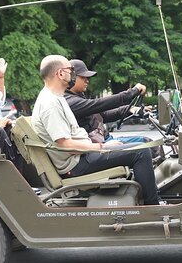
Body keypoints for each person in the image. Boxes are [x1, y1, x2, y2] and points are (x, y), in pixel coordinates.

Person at [32, 55, 160, 205]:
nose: (73, 74)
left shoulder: (56, 98)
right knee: (141, 150)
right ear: (60, 73)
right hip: (77, 163)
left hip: (82, 156)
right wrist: (102, 146)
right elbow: (65, 145)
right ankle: (154, 207)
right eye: (70, 70)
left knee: (140, 147)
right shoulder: (50, 104)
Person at [64, 59, 151, 144]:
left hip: (104, 139)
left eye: (88, 77)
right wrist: (132, 92)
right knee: (145, 143)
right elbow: (99, 104)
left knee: (147, 142)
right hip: (99, 146)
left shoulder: (80, 98)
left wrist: (129, 109)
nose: (87, 80)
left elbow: (104, 115)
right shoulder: (70, 101)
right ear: (72, 78)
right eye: (83, 77)